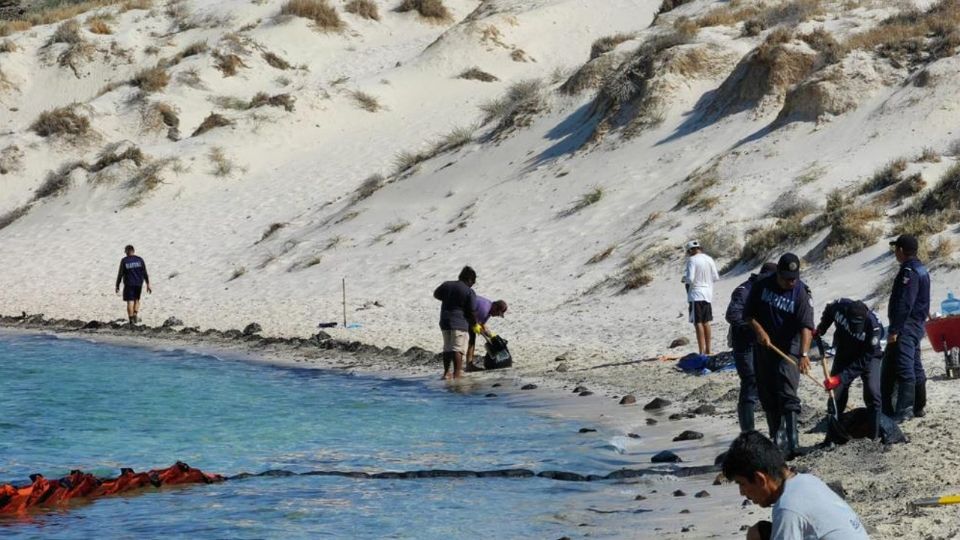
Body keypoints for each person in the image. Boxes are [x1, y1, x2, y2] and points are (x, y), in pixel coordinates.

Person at [722, 431, 869, 540]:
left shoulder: (788, 508)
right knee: (758, 532)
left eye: (741, 484)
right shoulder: (807, 481)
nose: (742, 492)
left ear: (761, 479)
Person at [744, 253, 814, 458]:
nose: (791, 282)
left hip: (790, 346)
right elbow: (748, 315)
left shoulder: (801, 292)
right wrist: (760, 331)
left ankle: (793, 443)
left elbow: (807, 326)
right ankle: (777, 438)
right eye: (787, 278)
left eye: (794, 278)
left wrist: (803, 354)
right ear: (778, 274)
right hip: (765, 346)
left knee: (787, 391)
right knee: (767, 394)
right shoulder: (761, 285)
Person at [815, 299, 883, 439]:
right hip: (845, 352)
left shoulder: (874, 327)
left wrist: (840, 377)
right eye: (853, 324)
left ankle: (873, 437)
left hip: (868, 357)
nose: (855, 328)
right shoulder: (840, 308)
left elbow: (866, 358)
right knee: (835, 394)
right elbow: (829, 309)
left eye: (859, 325)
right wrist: (822, 327)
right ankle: (833, 435)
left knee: (873, 392)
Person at [882, 234, 931, 422]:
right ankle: (919, 406)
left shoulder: (909, 272)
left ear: (901, 251)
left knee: (905, 366)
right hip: (916, 324)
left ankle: (905, 410)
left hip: (907, 326)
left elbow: (904, 303)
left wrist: (894, 329)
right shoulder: (921, 269)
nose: (895, 253)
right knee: (915, 364)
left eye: (896, 249)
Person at [727, 261, 778, 433]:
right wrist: (754, 330)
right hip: (744, 342)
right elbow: (732, 314)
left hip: (763, 343)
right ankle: (747, 432)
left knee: (768, 384)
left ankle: (774, 432)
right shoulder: (744, 290)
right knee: (750, 381)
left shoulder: (771, 290)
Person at [433, 266, 478, 380]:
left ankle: (446, 373)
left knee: (447, 348)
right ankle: (457, 374)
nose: (472, 284)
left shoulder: (447, 285)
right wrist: (474, 324)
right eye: (473, 282)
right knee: (457, 349)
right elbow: (471, 310)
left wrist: (449, 300)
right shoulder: (469, 291)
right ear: (469, 279)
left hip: (444, 321)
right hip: (459, 322)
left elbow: (436, 294)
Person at [682, 240, 720, 355]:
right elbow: (716, 277)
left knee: (698, 322)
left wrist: (684, 279)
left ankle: (701, 351)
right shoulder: (709, 259)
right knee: (706, 321)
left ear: (690, 250)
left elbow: (690, 278)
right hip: (707, 294)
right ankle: (708, 349)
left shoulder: (692, 260)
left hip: (696, 294)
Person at [466, 297, 508, 369]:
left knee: (472, 339)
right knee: (471, 338)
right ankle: (469, 365)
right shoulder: (484, 310)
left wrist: (492, 336)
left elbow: (482, 325)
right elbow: (473, 322)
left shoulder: (489, 309)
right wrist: (479, 330)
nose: (497, 315)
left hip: (468, 316)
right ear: (495, 307)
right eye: (498, 313)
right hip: (459, 313)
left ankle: (469, 364)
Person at [115, 245, 151, 325]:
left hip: (129, 284)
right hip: (139, 283)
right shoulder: (140, 260)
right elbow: (144, 272)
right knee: (137, 299)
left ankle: (131, 319)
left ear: (127, 251)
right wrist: (148, 284)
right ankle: (135, 314)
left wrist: (117, 285)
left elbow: (120, 274)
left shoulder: (124, 261)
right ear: (133, 251)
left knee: (130, 301)